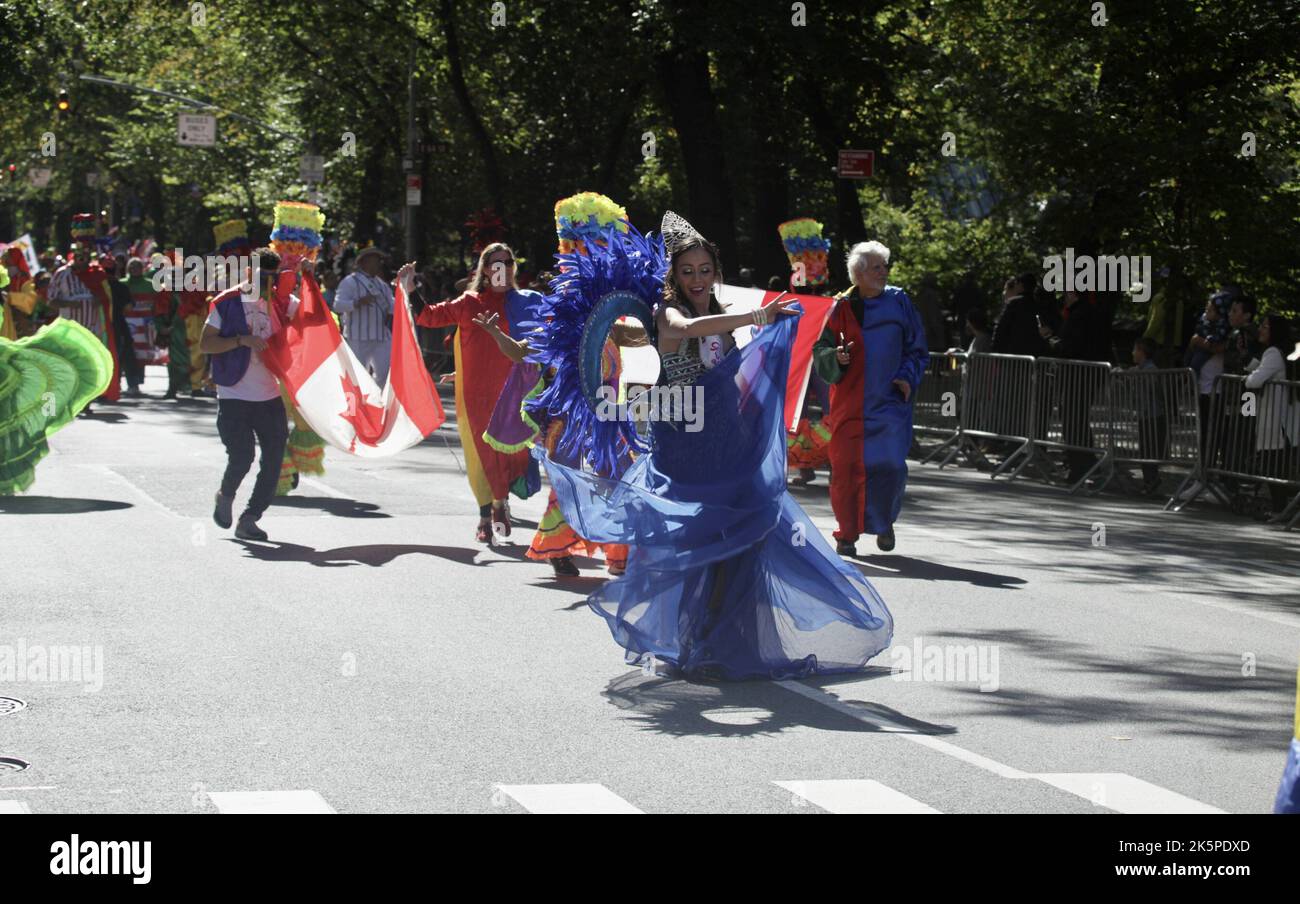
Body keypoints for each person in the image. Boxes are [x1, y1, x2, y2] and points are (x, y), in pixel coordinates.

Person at [532, 211, 894, 680]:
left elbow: (737, 371)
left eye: (705, 270)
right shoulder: (668, 312)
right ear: (674, 275)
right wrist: (758, 315)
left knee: (744, 540)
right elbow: (683, 332)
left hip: (727, 436)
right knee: (702, 539)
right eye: (688, 271)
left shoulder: (722, 317)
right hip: (685, 443)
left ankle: (721, 632)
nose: (697, 278)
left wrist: (767, 347)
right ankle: (695, 633)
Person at [813, 240, 928, 554]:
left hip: (890, 402)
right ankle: (846, 534)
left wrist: (906, 377)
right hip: (849, 403)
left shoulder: (900, 302)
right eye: (877, 267)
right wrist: (835, 356)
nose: (884, 272)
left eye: (885, 266)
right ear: (858, 275)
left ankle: (883, 521)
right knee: (846, 467)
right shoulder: (840, 306)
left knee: (889, 465)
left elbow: (917, 348)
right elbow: (819, 350)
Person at [415, 243, 534, 542]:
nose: (502, 269)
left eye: (507, 262)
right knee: (483, 454)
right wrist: (409, 288)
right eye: (495, 264)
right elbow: (427, 317)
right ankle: (488, 512)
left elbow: (534, 348)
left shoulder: (523, 303)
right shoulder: (469, 302)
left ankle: (499, 501)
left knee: (514, 452)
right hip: (477, 393)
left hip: (513, 391)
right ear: (484, 270)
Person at [199, 249, 309, 541]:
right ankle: (226, 494)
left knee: (274, 460)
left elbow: (313, 314)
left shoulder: (281, 303)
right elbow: (206, 344)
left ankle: (250, 518)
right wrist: (241, 340)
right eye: (262, 276)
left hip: (269, 395)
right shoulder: (227, 303)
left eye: (272, 279)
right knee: (242, 456)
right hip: (233, 393)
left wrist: (308, 275)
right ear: (249, 272)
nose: (267, 284)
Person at [46, 214, 121, 409]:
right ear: (73, 256)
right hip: (69, 331)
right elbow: (51, 301)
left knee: (88, 364)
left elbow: (107, 300)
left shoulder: (96, 274)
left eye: (86, 257)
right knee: (69, 364)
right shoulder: (62, 274)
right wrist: (70, 304)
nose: (83, 260)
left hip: (92, 331)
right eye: (79, 257)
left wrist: (99, 301)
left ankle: (86, 399)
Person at [1244, 315, 1299, 515]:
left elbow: (1254, 381)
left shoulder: (1273, 353)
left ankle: (1280, 510)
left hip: (1276, 421)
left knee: (1275, 466)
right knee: (1276, 465)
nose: (1261, 329)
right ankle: (1280, 509)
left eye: (1265, 326)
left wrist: (1248, 377)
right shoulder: (1278, 353)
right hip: (1277, 419)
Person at [333, 246, 393, 385]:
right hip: (358, 336)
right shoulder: (350, 282)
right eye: (374, 260)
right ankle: (361, 404)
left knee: (385, 373)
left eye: (379, 260)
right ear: (363, 262)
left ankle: (377, 402)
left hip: (381, 336)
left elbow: (392, 306)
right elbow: (338, 305)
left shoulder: (382, 285)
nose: (378, 263)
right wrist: (357, 302)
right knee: (359, 375)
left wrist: (407, 304)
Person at [1130, 336, 1168, 495]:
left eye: (1135, 349)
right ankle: (1149, 481)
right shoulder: (1138, 370)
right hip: (1144, 415)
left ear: (1142, 352)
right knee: (1145, 448)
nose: (1132, 353)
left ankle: (1151, 480)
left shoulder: (1150, 370)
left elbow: (1156, 390)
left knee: (1150, 449)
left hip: (1153, 415)